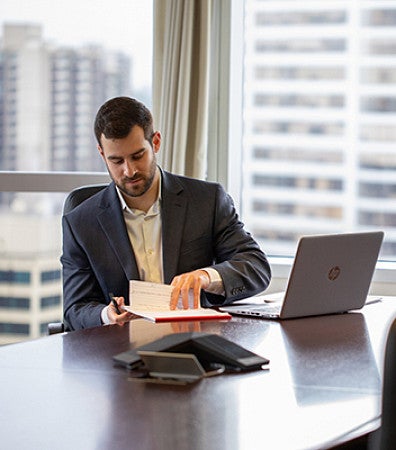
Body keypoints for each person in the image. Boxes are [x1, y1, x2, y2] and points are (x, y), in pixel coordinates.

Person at [61, 96, 271, 330]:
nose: (129, 171)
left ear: (156, 142)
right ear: (102, 154)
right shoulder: (80, 223)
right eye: (116, 160)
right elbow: (75, 309)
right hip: (120, 351)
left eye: (137, 156)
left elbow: (256, 268)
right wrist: (106, 315)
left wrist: (206, 276)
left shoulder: (206, 200)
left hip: (195, 343)